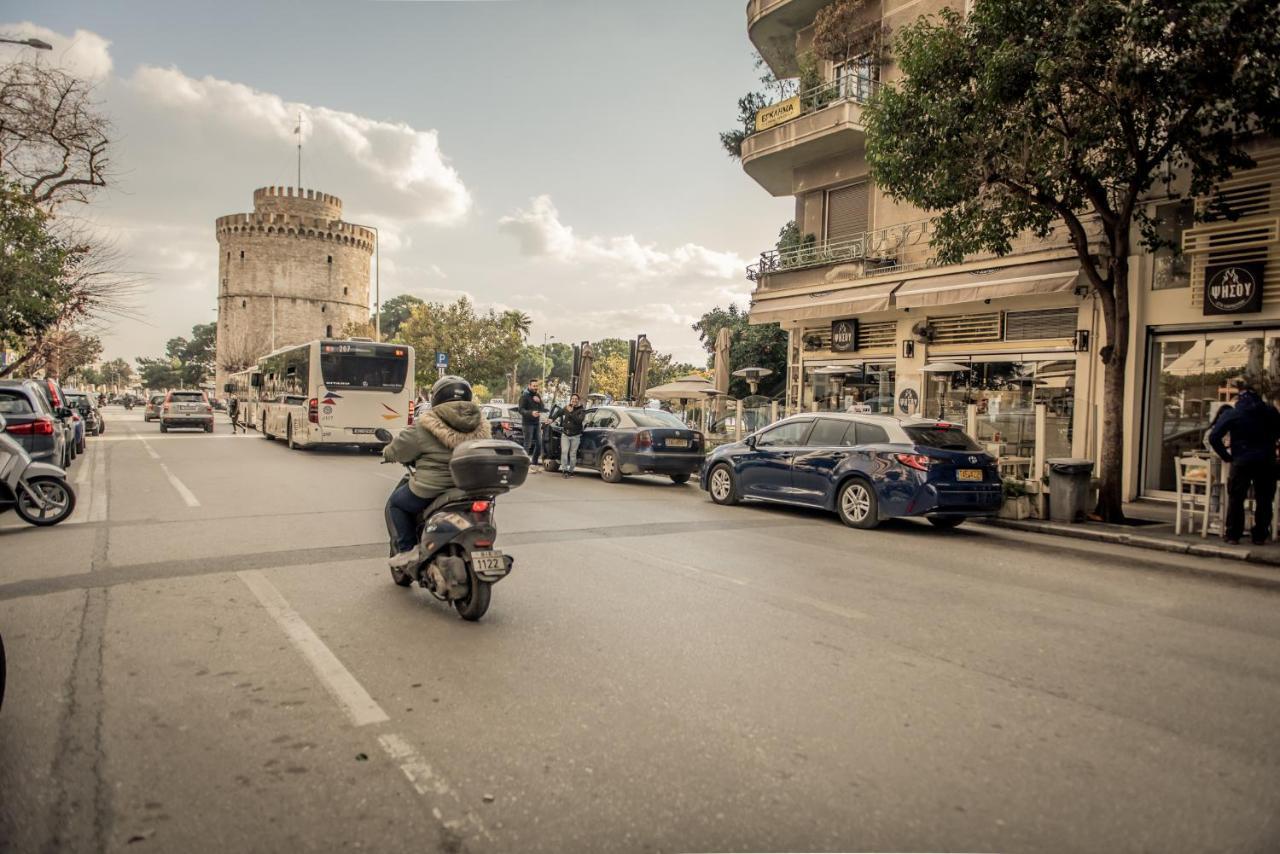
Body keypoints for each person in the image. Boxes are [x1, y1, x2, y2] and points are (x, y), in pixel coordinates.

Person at [382, 375, 492, 568]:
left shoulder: (425, 425)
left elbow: (396, 449)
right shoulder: (482, 424)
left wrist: (387, 453)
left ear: (437, 398)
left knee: (396, 504)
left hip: (432, 487)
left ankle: (407, 550)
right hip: (470, 487)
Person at [1209, 388, 1280, 545]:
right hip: (1266, 461)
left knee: (1236, 498)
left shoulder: (1234, 413)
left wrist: (1227, 457)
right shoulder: (1271, 412)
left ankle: (1234, 534)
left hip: (1242, 461)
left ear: (1240, 399)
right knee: (1264, 499)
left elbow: (1214, 437)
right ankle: (1260, 535)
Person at [556, 393, 586, 478]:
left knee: (572, 454)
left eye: (576, 399)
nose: (574, 400)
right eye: (572, 398)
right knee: (564, 452)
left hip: (575, 436)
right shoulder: (566, 407)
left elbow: (579, 421)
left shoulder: (581, 410)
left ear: (578, 400)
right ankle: (564, 470)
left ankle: (571, 470)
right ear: (570, 400)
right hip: (565, 434)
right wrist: (551, 419)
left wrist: (571, 412)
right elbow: (558, 413)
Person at [518, 379, 546, 469]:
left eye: (536, 386)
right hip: (527, 424)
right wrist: (531, 413)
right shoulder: (524, 396)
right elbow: (521, 410)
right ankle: (524, 464)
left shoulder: (537, 395)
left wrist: (539, 401)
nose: (535, 388)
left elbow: (542, 408)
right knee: (527, 444)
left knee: (539, 444)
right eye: (534, 386)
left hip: (536, 423)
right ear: (529, 386)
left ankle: (534, 462)